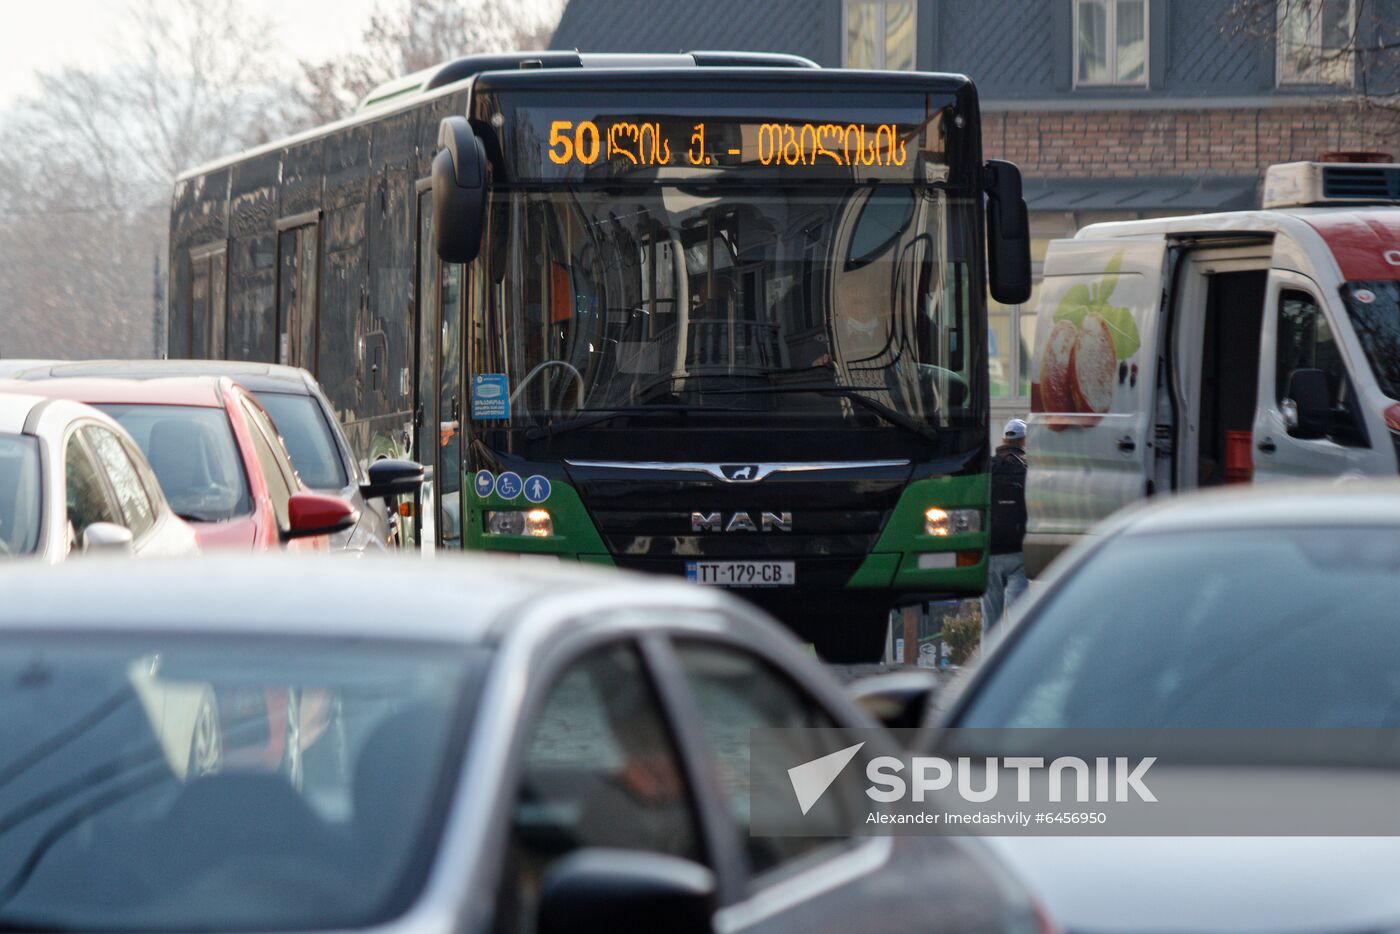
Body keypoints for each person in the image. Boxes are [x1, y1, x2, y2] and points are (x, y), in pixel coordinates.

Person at [982, 418, 1029, 635]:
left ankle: (988, 666)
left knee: (991, 621)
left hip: (990, 551)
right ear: (1023, 441)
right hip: (1019, 551)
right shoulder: (1029, 467)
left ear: (1003, 439)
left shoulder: (988, 468)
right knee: (1019, 619)